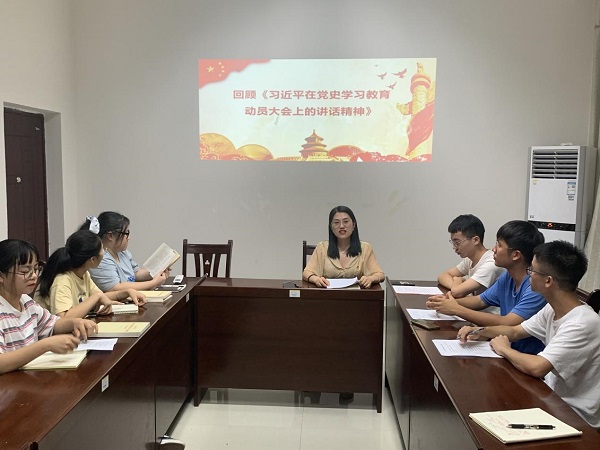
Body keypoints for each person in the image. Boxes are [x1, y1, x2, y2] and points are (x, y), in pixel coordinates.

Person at [457, 241, 600, 428]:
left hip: (574, 415)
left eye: (532, 271)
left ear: (548, 281)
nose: (528, 274)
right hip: (551, 396)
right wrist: (479, 331)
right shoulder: (552, 308)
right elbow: (515, 331)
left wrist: (504, 349)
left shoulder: (582, 323)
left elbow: (538, 367)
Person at [427, 220, 546, 354]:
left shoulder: (535, 287)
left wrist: (456, 309)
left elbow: (508, 322)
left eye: (499, 245)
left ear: (516, 255)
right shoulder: (508, 276)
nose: (493, 249)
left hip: (528, 355)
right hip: (506, 348)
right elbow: (480, 301)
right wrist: (445, 303)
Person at [0, 239, 97, 374]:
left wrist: (75, 323)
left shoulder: (26, 301)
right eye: (25, 271)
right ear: (1, 276)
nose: (34, 276)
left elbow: (52, 324)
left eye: (35, 269)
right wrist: (46, 345)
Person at [35, 229, 146, 318]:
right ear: (92, 259)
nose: (105, 253)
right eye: (103, 250)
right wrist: (97, 296)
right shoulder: (62, 280)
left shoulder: (83, 273)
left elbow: (100, 296)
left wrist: (126, 292)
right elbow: (63, 318)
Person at [303, 205, 384, 288]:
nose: (341, 226)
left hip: (356, 295)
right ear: (331, 227)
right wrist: (316, 279)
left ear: (354, 224)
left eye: (346, 221)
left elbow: (380, 275)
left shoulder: (365, 248)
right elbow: (306, 273)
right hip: (328, 294)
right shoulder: (322, 248)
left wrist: (370, 279)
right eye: (336, 223)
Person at [83, 212, 168, 292]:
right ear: (110, 236)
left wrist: (157, 271)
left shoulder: (122, 252)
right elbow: (115, 288)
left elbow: (135, 274)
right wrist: (153, 283)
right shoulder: (101, 258)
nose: (129, 238)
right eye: (126, 233)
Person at [437, 214, 504, 297]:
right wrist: (456, 285)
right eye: (453, 243)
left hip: (487, 306)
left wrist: (457, 280)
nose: (454, 247)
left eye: (457, 242)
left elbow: (456, 292)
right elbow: (442, 276)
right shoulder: (470, 260)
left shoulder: (491, 263)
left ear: (475, 240)